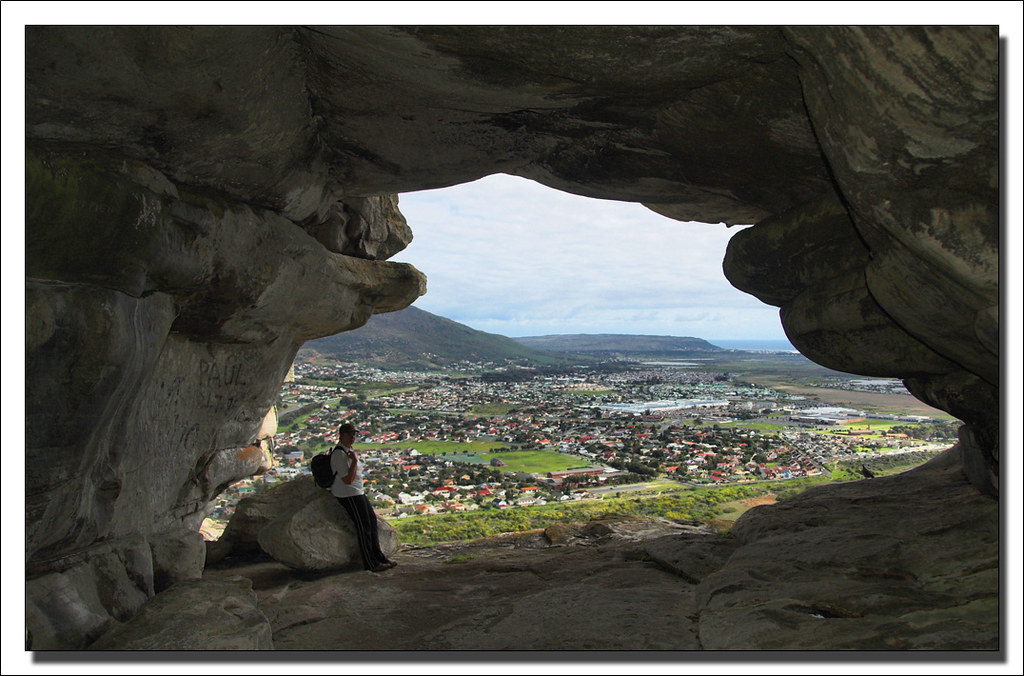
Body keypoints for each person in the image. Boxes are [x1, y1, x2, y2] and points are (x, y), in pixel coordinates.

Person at [330, 422, 396, 572]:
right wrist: (353, 461)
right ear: (342, 435)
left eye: (354, 434)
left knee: (372, 523)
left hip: (357, 492)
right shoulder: (339, 454)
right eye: (350, 434)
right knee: (363, 527)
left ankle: (379, 556)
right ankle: (370, 563)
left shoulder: (348, 450)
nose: (353, 437)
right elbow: (347, 479)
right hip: (348, 494)